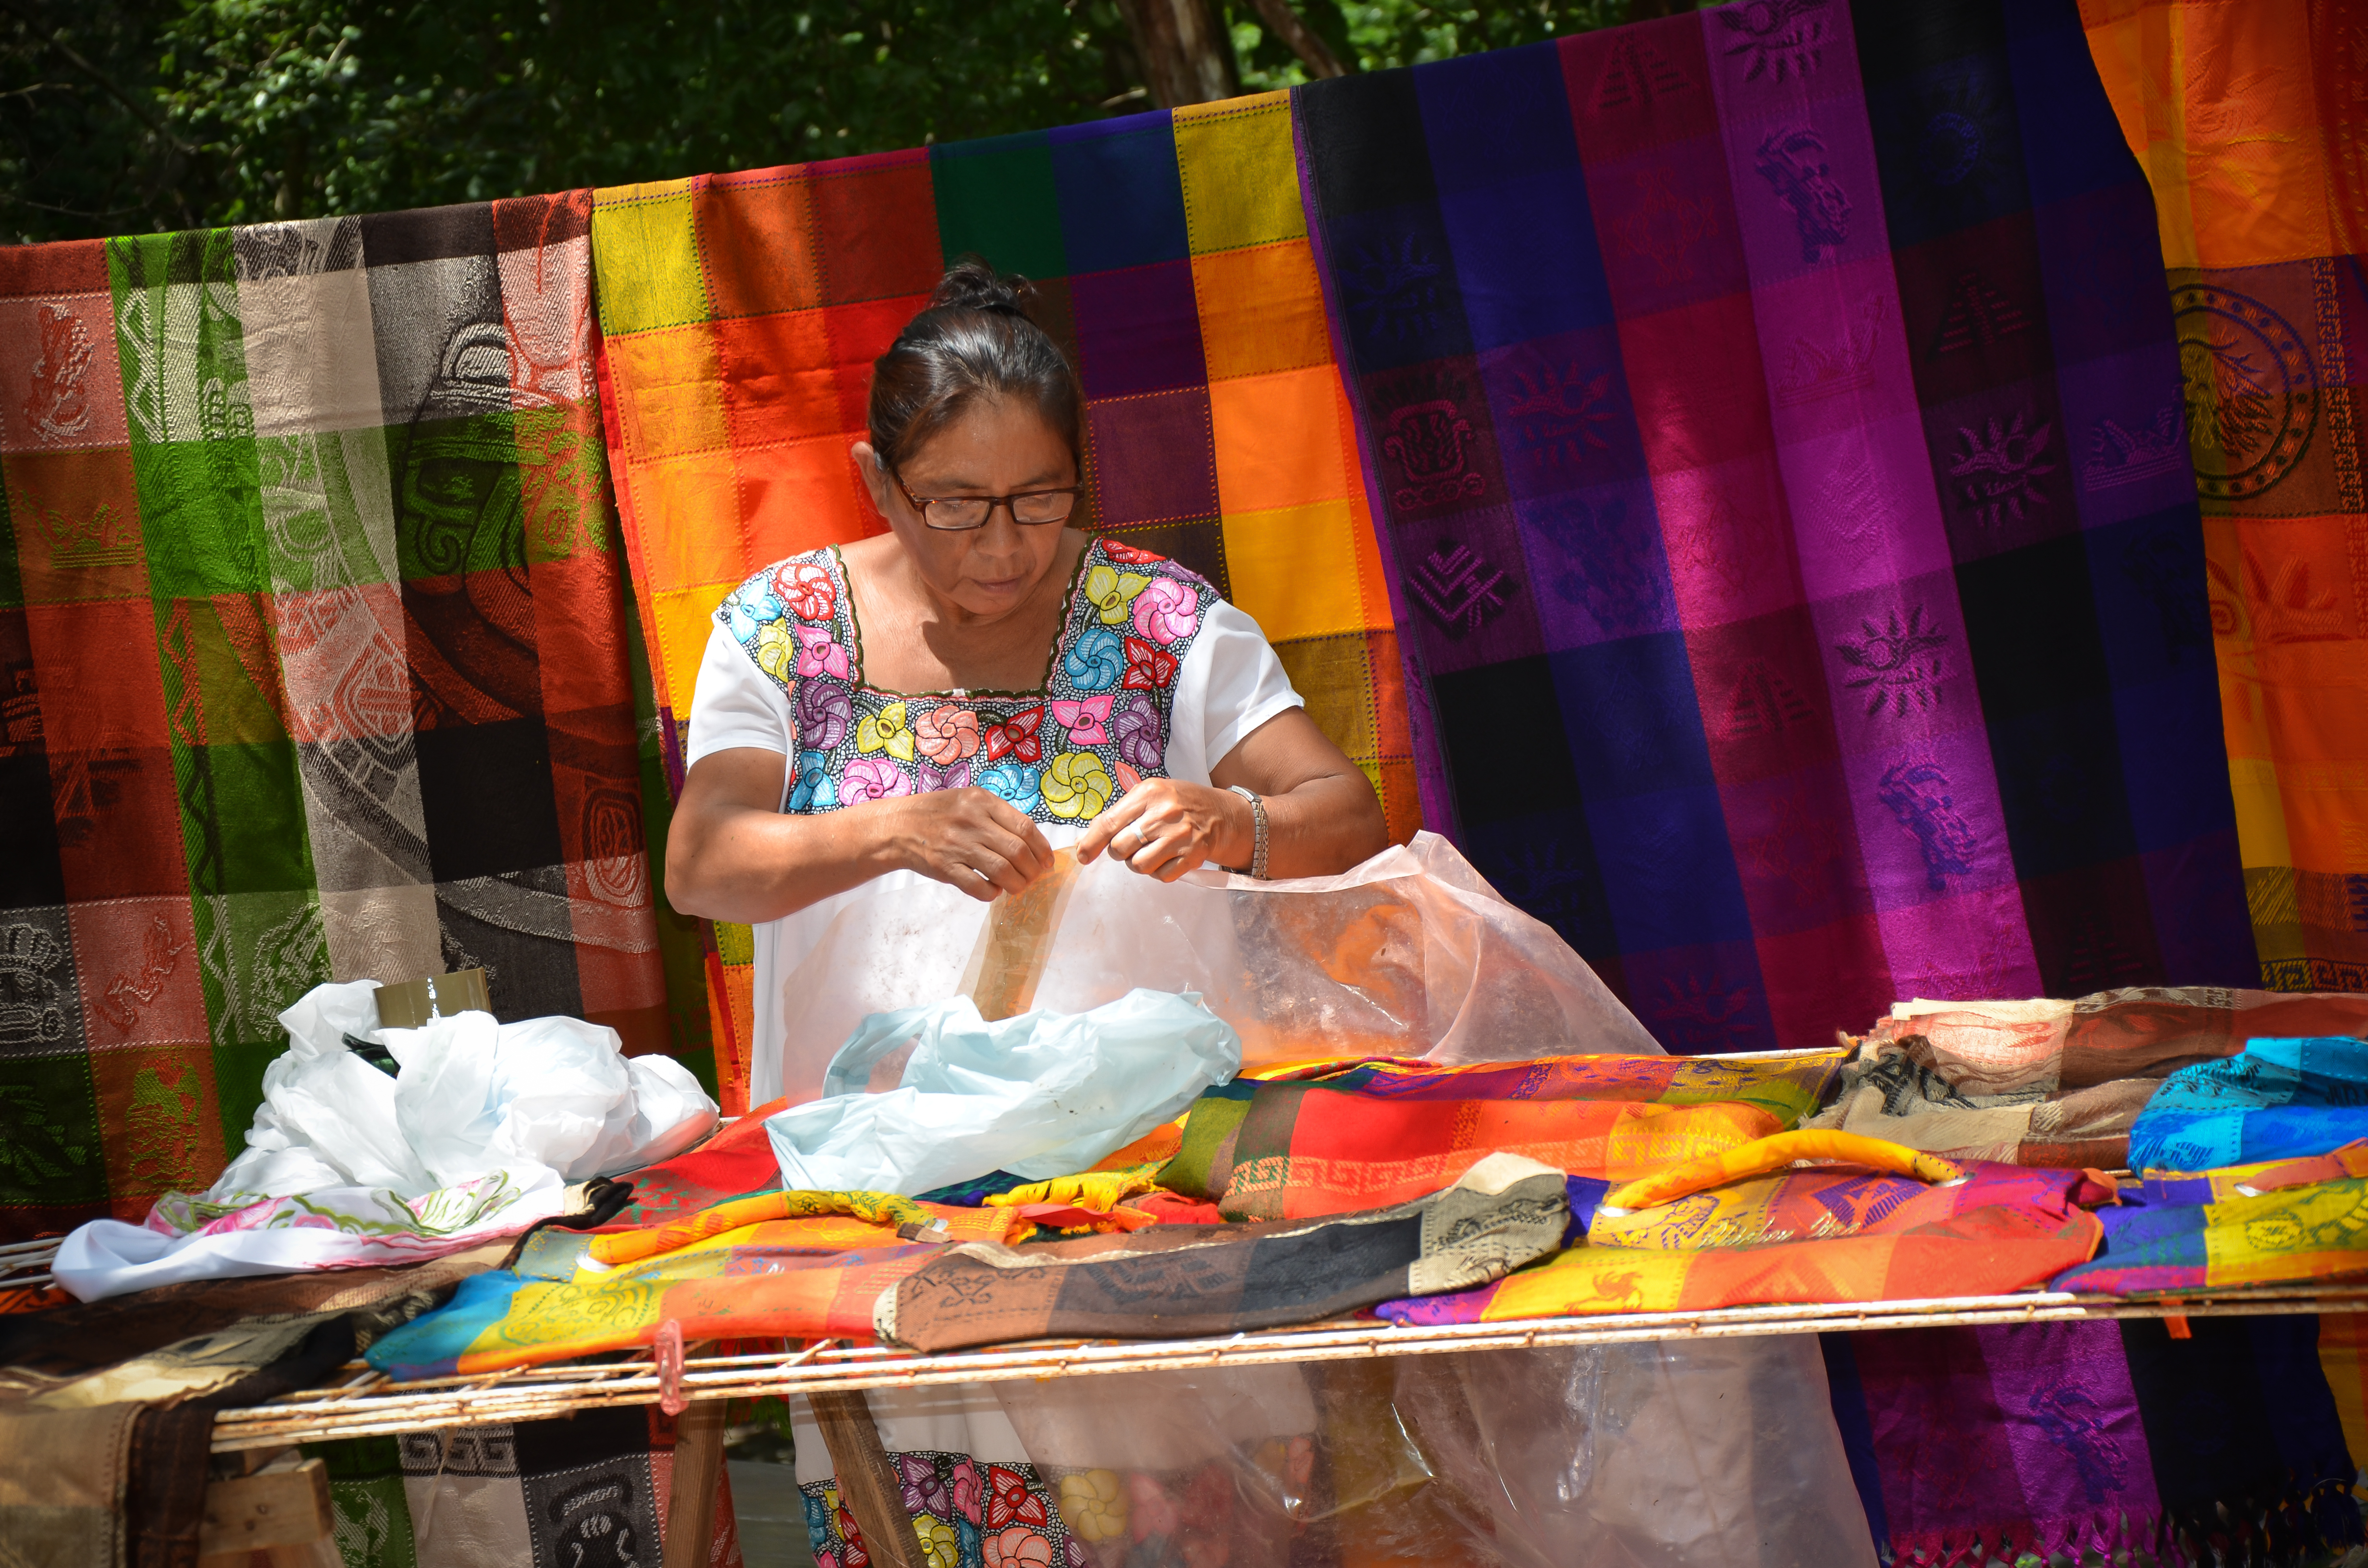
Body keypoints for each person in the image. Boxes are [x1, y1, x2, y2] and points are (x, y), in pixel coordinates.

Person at [664, 257, 1389, 1562]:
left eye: (1039, 499)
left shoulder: (1162, 624)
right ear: (875, 480)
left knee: (1176, 1518)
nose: (1002, 544)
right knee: (924, 1509)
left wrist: (1241, 822)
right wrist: (888, 827)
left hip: (1141, 1210)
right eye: (955, 505)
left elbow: (1348, 810)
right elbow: (705, 862)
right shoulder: (783, 633)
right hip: (890, 1229)